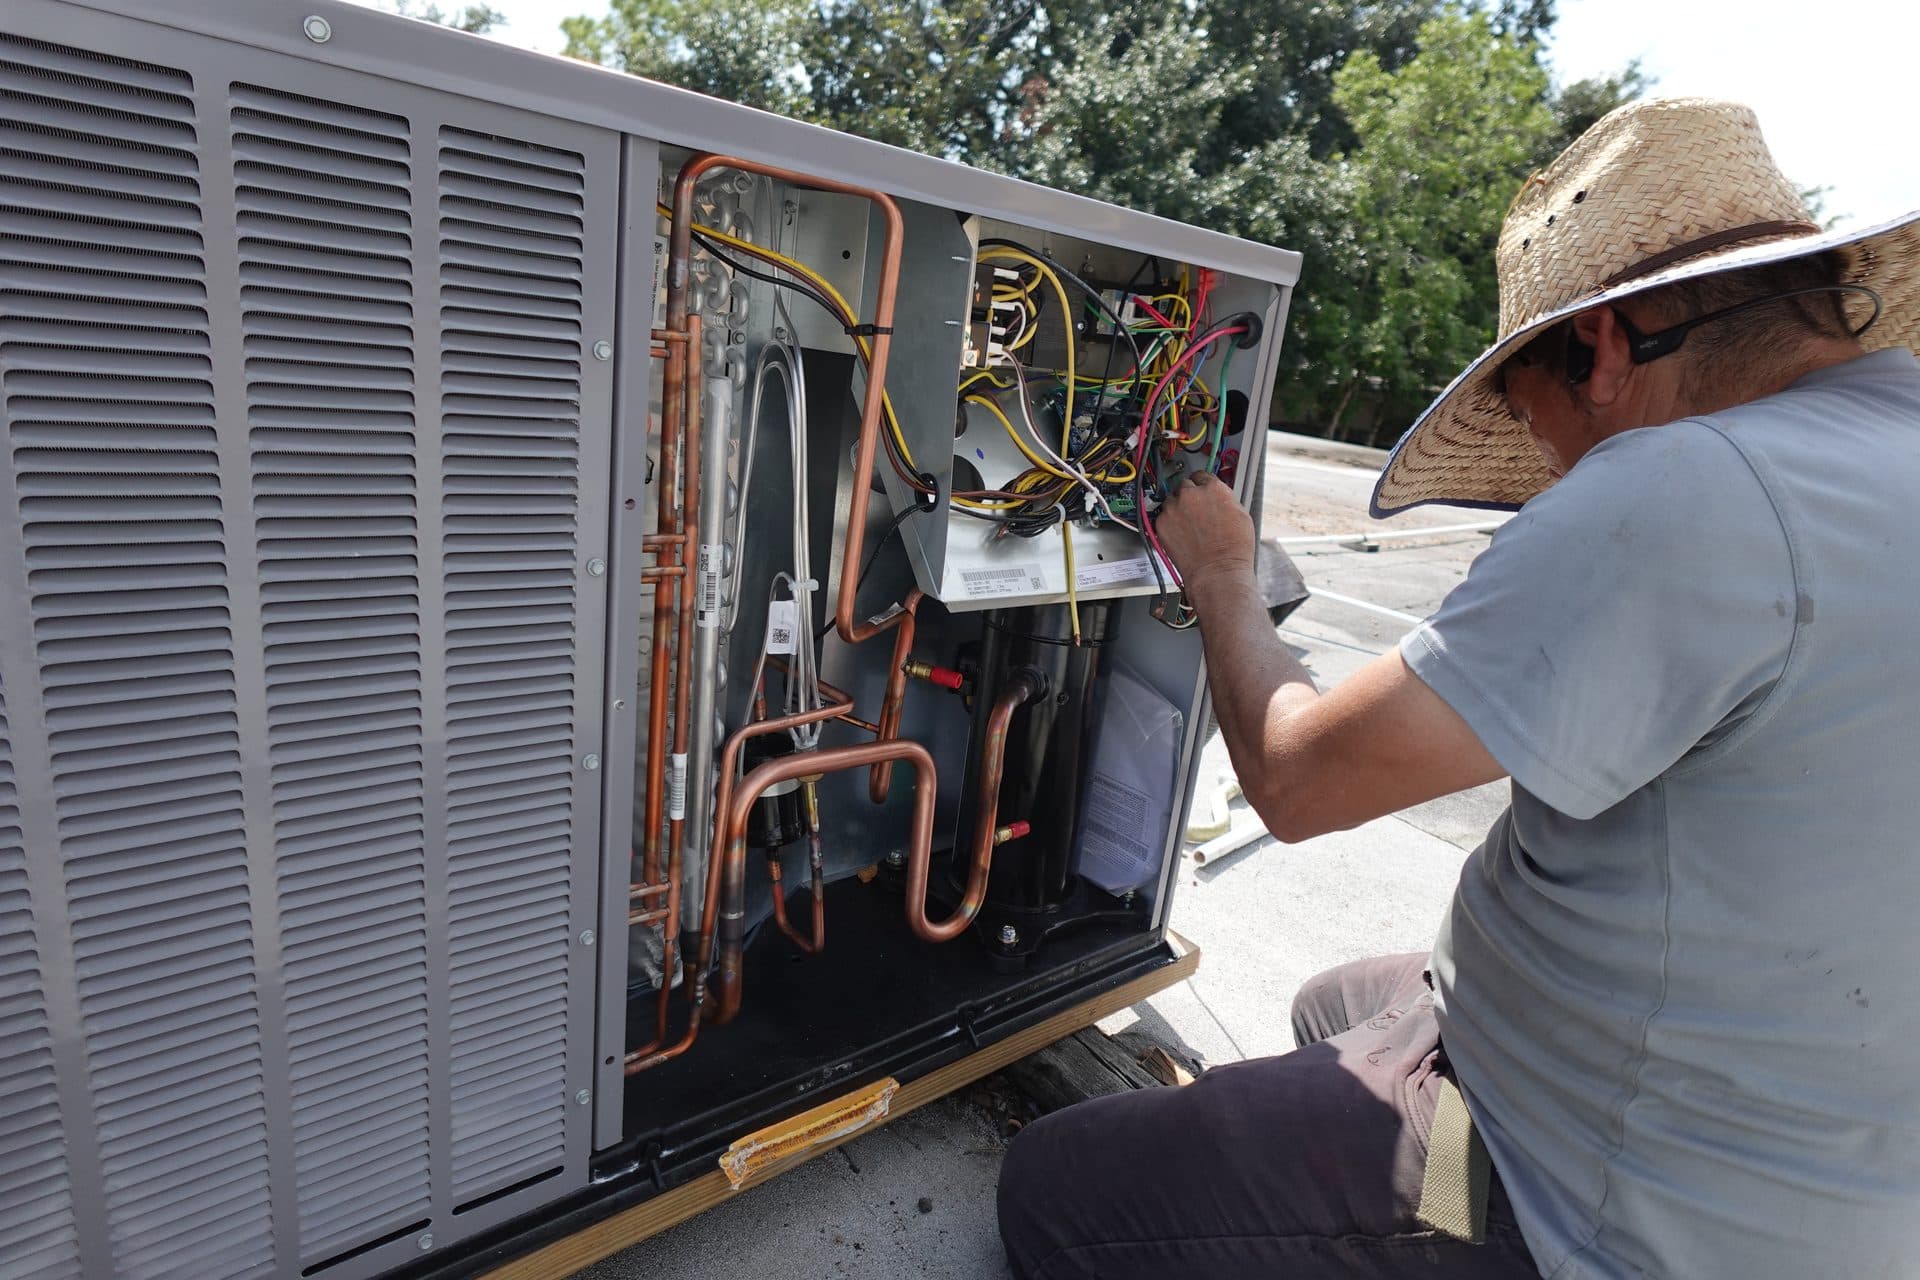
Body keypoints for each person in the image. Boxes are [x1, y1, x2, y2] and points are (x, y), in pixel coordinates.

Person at [997, 96, 1920, 1280]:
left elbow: (1294, 772)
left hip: (1612, 1196)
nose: (1555, 472)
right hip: (1822, 1158)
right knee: (1338, 1001)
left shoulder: (1690, 485)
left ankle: (1442, 1216)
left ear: (1603, 345)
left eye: (1538, 435)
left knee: (1057, 1189)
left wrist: (1226, 572)